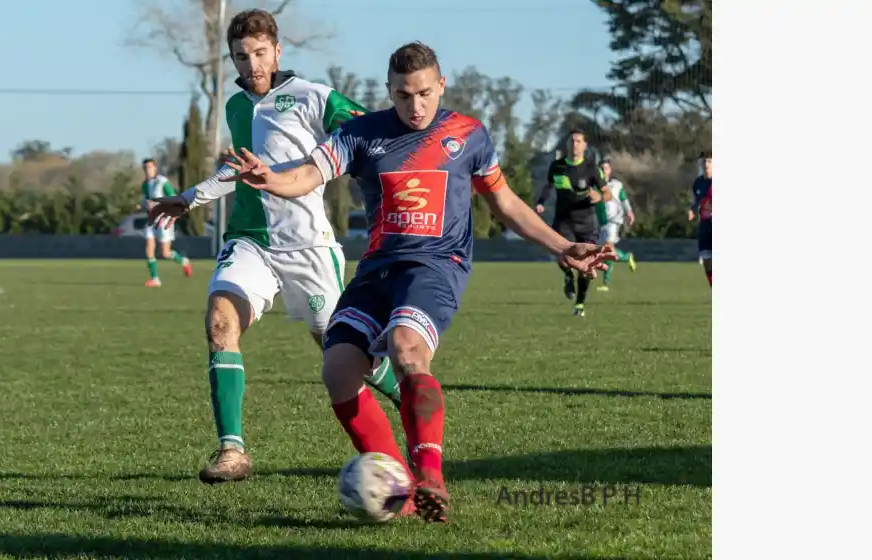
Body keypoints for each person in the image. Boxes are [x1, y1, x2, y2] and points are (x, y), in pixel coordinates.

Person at [217, 41, 614, 523]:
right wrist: (270, 178)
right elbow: (305, 174)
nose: (416, 106)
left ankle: (429, 478)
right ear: (389, 91)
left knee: (407, 349)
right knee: (338, 369)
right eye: (404, 96)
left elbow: (505, 203)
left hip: (435, 266)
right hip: (377, 268)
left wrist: (562, 247)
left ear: (441, 85)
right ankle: (398, 490)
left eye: (425, 93)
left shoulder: (468, 135)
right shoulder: (361, 133)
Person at [146, 9, 400, 485]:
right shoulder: (237, 107)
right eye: (242, 56)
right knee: (220, 321)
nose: (252, 64)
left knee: (339, 351)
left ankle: (407, 396)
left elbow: (369, 132)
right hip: (251, 242)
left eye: (260, 53)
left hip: (307, 246)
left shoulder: (312, 96)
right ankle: (233, 451)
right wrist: (189, 197)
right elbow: (241, 170)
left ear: (278, 51)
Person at [532, 130, 611, 317]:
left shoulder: (592, 168)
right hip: (564, 220)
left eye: (578, 141)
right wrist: (541, 202)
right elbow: (548, 186)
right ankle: (568, 276)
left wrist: (599, 197)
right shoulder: (557, 166)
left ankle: (580, 304)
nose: (574, 144)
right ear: (567, 145)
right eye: (572, 141)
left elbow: (607, 194)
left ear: (585, 146)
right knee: (563, 254)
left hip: (586, 222)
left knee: (586, 265)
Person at [138, 158, 193, 286]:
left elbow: (174, 199)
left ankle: (184, 261)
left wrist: (158, 203)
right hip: (151, 220)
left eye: (150, 167)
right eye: (145, 168)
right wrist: (142, 205)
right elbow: (146, 201)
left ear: (155, 168)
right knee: (149, 248)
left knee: (165, 253)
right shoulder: (145, 184)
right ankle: (155, 279)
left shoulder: (162, 182)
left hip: (164, 220)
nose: (148, 170)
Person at [595, 158, 637, 291]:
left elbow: (624, 200)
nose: (603, 171)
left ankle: (606, 283)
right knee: (606, 252)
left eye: (606, 168)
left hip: (614, 220)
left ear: (610, 170)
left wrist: (629, 212)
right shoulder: (595, 186)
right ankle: (626, 257)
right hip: (601, 221)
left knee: (607, 248)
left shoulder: (616, 185)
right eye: (601, 169)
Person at [688, 151, 712, 286]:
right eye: (704, 162)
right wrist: (691, 210)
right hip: (704, 225)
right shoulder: (698, 183)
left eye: (709, 161)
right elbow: (694, 201)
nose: (706, 164)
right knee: (707, 263)